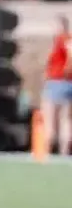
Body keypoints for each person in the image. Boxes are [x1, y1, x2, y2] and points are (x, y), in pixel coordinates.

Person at [42, 16, 72, 156]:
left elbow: (70, 52)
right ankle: (64, 151)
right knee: (65, 118)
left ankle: (47, 149)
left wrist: (67, 68)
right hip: (68, 83)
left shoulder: (62, 39)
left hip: (57, 81)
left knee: (49, 117)